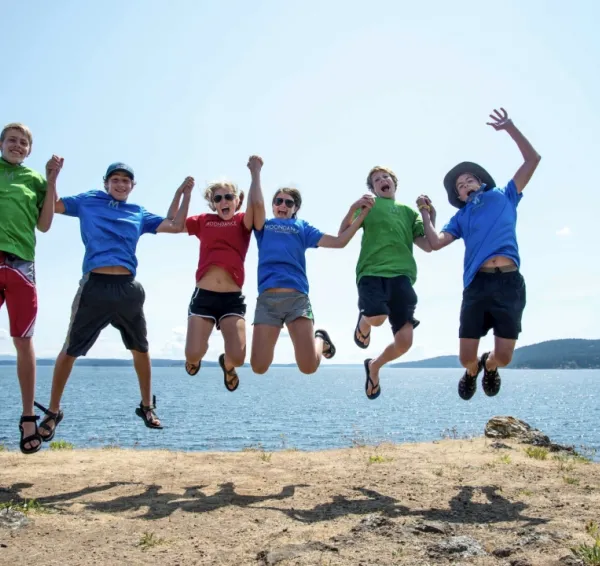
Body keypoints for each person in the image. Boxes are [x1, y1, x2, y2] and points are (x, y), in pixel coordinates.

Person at [34, 163, 194, 441]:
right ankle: (53, 411)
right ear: (106, 182)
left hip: (128, 289)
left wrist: (183, 193)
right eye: (115, 180)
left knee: (141, 350)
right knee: (70, 350)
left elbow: (176, 225)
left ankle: (146, 407)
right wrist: (53, 177)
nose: (120, 185)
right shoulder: (88, 201)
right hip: (94, 286)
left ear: (133, 186)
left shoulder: (138, 213)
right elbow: (54, 206)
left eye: (126, 181)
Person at [416, 108, 541, 400]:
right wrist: (425, 213)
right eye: (460, 185)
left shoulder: (504, 195)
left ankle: (490, 365)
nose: (465, 184)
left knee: (506, 357)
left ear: (481, 182)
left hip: (509, 283)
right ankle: (473, 371)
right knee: (464, 358)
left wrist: (510, 127)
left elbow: (532, 160)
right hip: (477, 284)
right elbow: (434, 243)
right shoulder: (460, 218)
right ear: (459, 197)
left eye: (469, 179)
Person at [249, 157, 372, 375]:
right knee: (258, 367)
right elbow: (256, 205)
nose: (283, 205)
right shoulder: (263, 227)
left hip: (297, 299)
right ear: (273, 205)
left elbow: (339, 241)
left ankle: (320, 339)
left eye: (289, 202)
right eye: (278, 201)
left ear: (295, 208)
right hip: (268, 301)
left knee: (308, 367)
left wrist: (358, 212)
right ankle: (319, 339)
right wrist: (256, 172)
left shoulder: (301, 227)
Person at [340, 166, 432, 400]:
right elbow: (343, 233)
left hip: (402, 276)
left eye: (385, 177)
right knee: (378, 318)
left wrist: (427, 212)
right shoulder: (368, 207)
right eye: (376, 180)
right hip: (371, 272)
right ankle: (364, 320)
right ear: (372, 189)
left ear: (394, 183)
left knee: (404, 342)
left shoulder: (408, 212)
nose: (382, 180)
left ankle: (374, 366)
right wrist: (354, 207)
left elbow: (428, 244)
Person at [0, 123, 63, 454]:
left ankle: (28, 419)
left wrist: (51, 180)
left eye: (23, 142)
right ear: (2, 144)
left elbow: (45, 224)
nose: (17, 145)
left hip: (22, 263)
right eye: (12, 140)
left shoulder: (36, 180)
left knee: (23, 340)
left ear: (29, 150)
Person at [183, 155, 262, 392]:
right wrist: (185, 194)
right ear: (213, 203)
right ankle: (196, 355)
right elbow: (176, 224)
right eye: (218, 198)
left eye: (229, 197)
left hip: (231, 299)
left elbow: (257, 207)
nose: (224, 201)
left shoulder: (242, 222)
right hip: (204, 297)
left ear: (237, 201)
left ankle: (227, 365)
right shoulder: (204, 221)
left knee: (238, 357)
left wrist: (255, 173)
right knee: (193, 353)